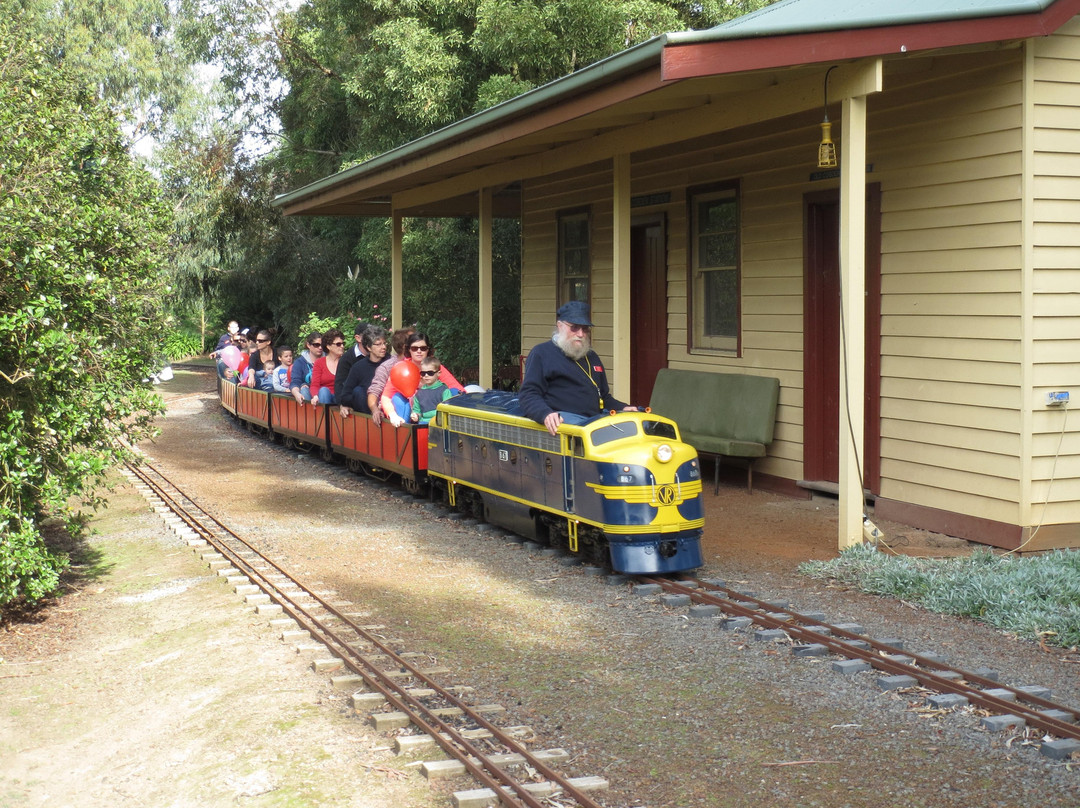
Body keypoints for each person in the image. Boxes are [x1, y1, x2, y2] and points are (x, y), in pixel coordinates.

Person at [518, 301, 636, 436]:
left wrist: (622, 407)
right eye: (574, 327)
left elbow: (603, 397)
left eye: (585, 329)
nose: (580, 334)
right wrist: (545, 414)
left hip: (594, 424)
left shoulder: (592, 357)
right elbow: (528, 394)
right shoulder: (541, 353)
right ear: (560, 326)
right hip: (564, 427)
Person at [380, 332, 463, 427]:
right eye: (414, 348)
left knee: (454, 392)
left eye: (423, 348)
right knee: (397, 398)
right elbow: (386, 397)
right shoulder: (402, 369)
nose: (419, 351)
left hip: (434, 411)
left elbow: (458, 389)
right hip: (412, 411)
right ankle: (406, 434)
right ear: (409, 350)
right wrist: (392, 415)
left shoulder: (435, 366)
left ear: (428, 350)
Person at [367, 326, 415, 426]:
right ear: (405, 347)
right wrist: (375, 410)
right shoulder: (387, 367)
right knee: (398, 399)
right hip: (395, 408)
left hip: (420, 406)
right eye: (414, 343)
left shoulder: (424, 363)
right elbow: (375, 390)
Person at [338, 326, 388, 416]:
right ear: (369, 347)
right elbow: (345, 395)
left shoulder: (390, 362)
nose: (383, 347)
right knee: (358, 391)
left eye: (384, 343)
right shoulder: (358, 367)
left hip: (387, 404)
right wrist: (346, 405)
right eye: (379, 344)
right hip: (366, 410)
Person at [410, 357, 455, 424]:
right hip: (424, 422)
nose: (426, 375)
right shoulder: (419, 393)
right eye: (423, 373)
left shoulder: (444, 390)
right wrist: (415, 415)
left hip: (440, 423)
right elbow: (417, 410)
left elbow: (448, 410)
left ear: (438, 373)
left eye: (430, 373)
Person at [311, 328, 345, 406]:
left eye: (343, 343)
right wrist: (315, 396)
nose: (342, 346)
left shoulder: (346, 361)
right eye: (338, 344)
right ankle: (325, 416)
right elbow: (314, 385)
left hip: (341, 398)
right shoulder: (319, 363)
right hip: (325, 397)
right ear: (329, 346)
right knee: (323, 391)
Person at [335, 320, 369, 397]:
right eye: (369, 336)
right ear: (358, 338)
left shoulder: (380, 356)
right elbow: (340, 385)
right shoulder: (346, 358)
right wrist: (343, 403)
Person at [290, 332, 323, 405]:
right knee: (304, 390)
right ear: (308, 345)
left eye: (322, 345)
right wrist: (296, 394)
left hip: (323, 391)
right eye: (316, 345)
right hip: (307, 393)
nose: (320, 347)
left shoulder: (327, 359)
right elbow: (295, 381)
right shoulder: (300, 362)